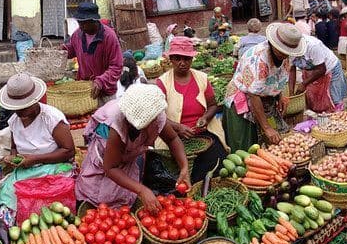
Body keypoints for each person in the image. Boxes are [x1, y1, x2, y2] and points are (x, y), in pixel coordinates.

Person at [75, 84, 188, 211]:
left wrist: (184, 166)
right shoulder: (117, 123)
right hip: (105, 158)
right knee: (99, 195)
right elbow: (110, 168)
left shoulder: (156, 116)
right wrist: (142, 190)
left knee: (125, 194)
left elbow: (172, 139)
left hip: (127, 156)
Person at [0, 73, 75, 213]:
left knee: (43, 200)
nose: (19, 111)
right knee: (8, 195)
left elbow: (69, 151)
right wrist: (13, 158)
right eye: (16, 108)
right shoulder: (14, 121)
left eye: (24, 107)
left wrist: (35, 159)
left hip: (52, 167)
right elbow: (14, 147)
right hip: (26, 169)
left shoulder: (51, 118)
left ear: (34, 101)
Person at [154, 37, 228, 184]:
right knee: (174, 176)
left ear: (192, 59)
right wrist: (177, 127)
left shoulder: (201, 78)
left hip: (204, 134)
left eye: (186, 58)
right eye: (177, 58)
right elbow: (157, 116)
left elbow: (213, 105)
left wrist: (205, 118)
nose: (182, 63)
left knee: (218, 164)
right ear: (171, 59)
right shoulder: (162, 83)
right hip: (173, 137)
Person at [223, 23, 305, 150]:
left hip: (265, 97)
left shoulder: (285, 57)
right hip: (244, 99)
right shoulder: (259, 59)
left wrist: (280, 96)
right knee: (248, 145)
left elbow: (277, 76)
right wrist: (266, 127)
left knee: (275, 138)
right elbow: (253, 94)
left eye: (288, 51)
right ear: (273, 44)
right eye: (282, 50)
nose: (285, 54)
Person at [64, 2, 123, 104]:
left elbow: (116, 66)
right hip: (85, 90)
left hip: (105, 93)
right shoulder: (77, 34)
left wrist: (101, 81)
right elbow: (72, 49)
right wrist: (61, 51)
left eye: (84, 23)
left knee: (105, 118)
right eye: (79, 22)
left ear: (94, 21)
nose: (80, 26)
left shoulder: (109, 37)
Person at [292, 35, 347, 112]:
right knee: (315, 100)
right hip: (312, 71)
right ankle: (321, 119)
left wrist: (304, 84)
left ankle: (337, 119)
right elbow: (292, 69)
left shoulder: (313, 45)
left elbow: (322, 69)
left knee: (334, 99)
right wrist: (291, 93)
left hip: (329, 68)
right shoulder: (288, 48)